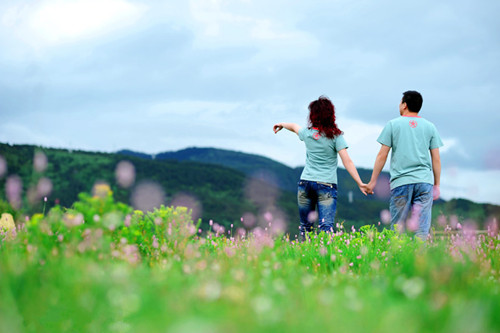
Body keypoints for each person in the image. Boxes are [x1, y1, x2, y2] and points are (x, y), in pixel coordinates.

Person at [273, 96, 368, 241]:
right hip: (326, 185)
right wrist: (360, 182)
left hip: (305, 183)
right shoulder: (336, 136)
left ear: (313, 115)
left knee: (305, 227)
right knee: (326, 227)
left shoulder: (308, 133)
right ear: (330, 114)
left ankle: (304, 259)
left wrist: (281, 124)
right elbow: (347, 161)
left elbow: (293, 126)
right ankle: (324, 260)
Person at [366, 90, 443, 240]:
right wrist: (437, 185)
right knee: (421, 230)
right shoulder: (430, 127)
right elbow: (436, 159)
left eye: (400, 102)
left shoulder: (393, 125)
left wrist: (373, 181)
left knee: (397, 230)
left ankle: (398, 261)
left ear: (405, 105)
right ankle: (419, 262)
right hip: (424, 182)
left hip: (401, 182)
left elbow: (382, 155)